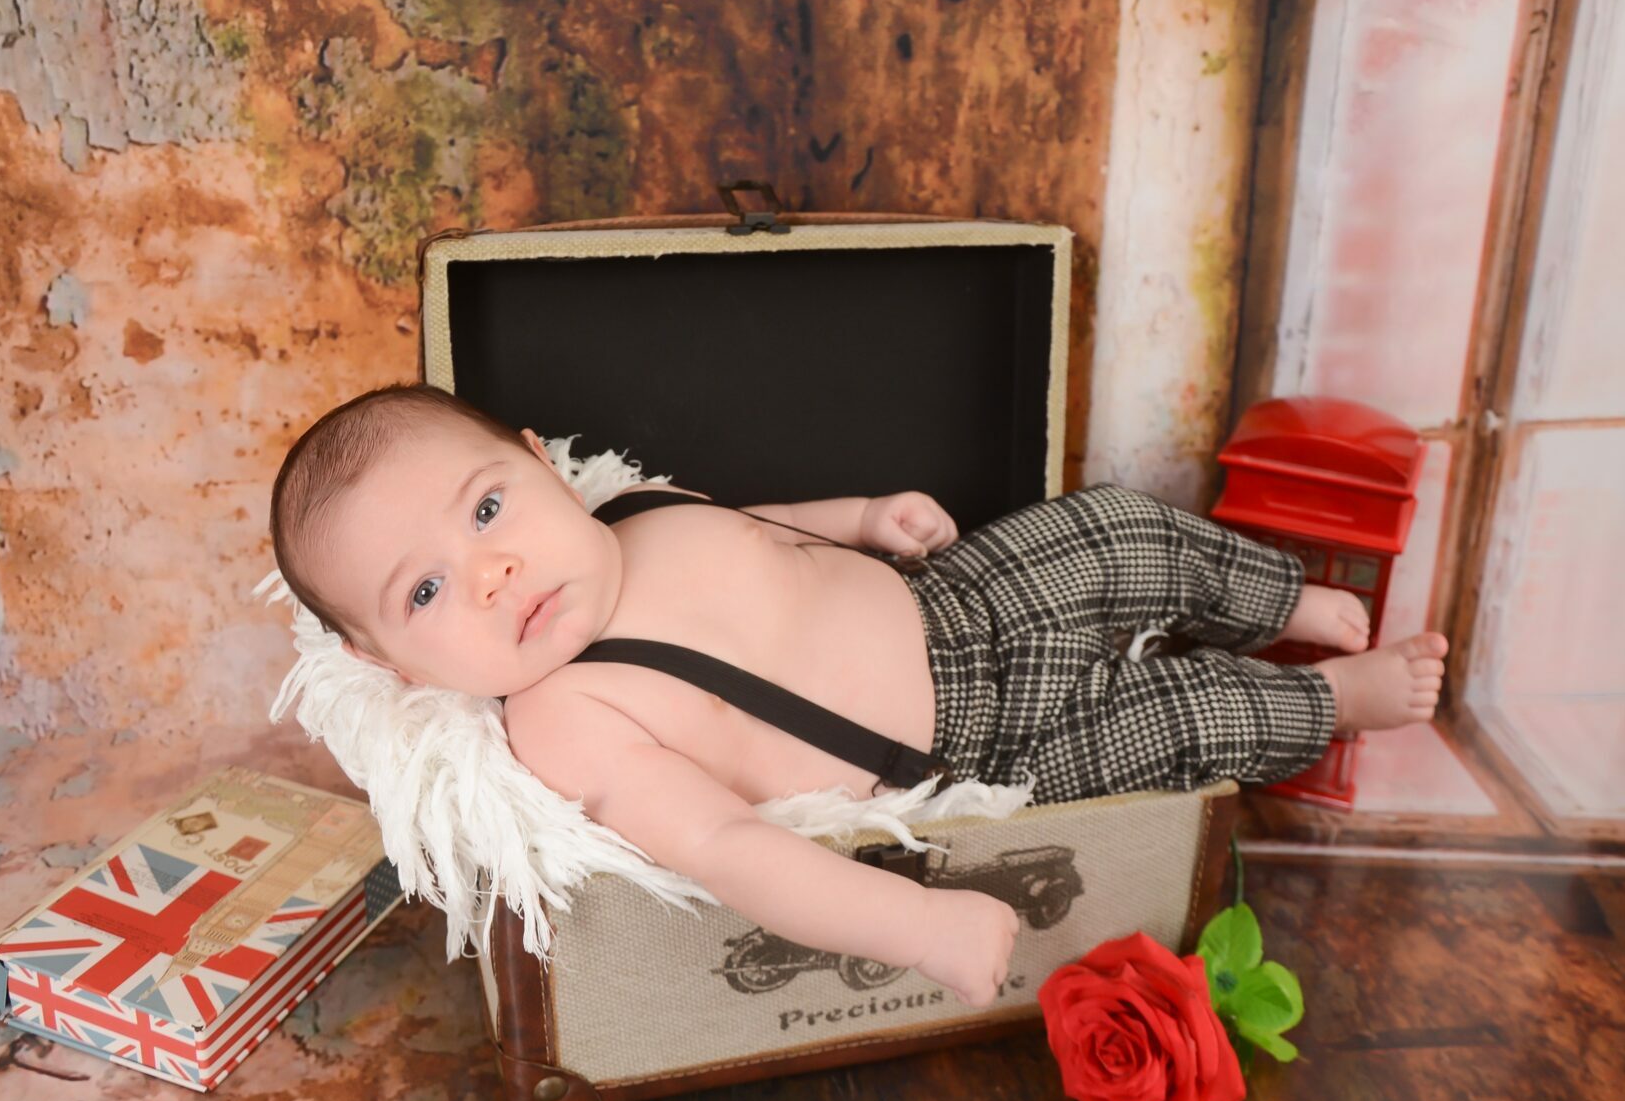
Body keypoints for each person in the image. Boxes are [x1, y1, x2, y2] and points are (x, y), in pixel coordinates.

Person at [270, 385, 1448, 1007]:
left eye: (488, 509)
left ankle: (1275, 597)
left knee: (1121, 527)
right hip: (979, 749)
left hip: (956, 599)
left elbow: (765, 529)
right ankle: (1330, 703)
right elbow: (728, 849)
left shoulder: (628, 511)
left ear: (542, 463)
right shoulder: (564, 718)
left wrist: (865, 518)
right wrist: (916, 924)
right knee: (1183, 722)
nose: (491, 572)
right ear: (391, 666)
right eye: (425, 590)